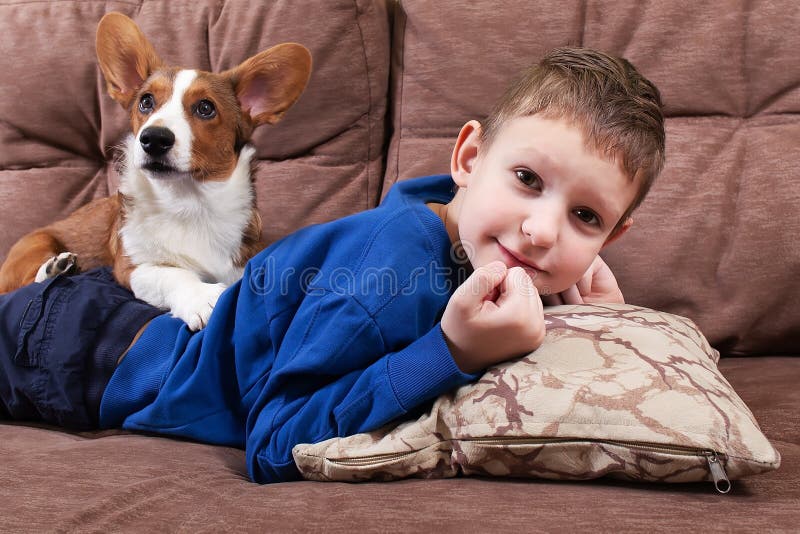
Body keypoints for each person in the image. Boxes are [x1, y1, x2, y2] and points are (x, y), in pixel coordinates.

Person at [0, 47, 665, 483]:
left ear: (615, 235)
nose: (543, 230)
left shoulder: (449, 216)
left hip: (137, 322)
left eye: (586, 219)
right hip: (91, 355)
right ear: (467, 159)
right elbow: (272, 441)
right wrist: (451, 351)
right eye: (526, 177)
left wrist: (595, 317)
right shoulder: (386, 284)